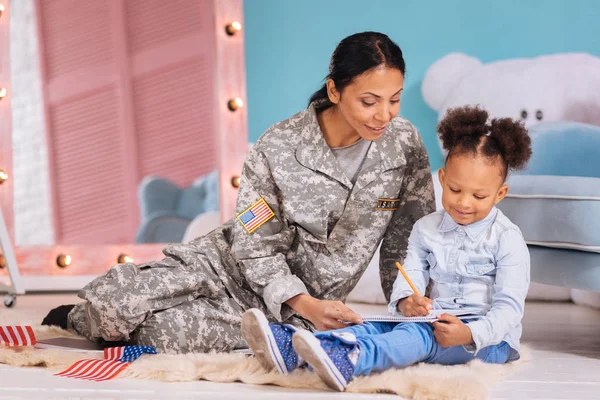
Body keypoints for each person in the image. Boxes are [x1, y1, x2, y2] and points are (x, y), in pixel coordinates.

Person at [42, 31, 435, 354]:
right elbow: (254, 244)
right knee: (112, 307)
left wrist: (405, 298)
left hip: (293, 310)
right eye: (369, 101)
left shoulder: (403, 145)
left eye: (394, 100)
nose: (385, 115)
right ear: (334, 91)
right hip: (226, 265)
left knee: (165, 334)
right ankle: (81, 317)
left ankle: (266, 334)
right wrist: (303, 301)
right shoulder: (277, 146)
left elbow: (410, 239)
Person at [241, 105, 532, 391]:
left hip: (489, 341)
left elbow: (509, 309)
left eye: (479, 196)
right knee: (381, 325)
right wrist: (408, 299)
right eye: (454, 190)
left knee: (418, 338)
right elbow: (413, 271)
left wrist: (469, 333)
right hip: (435, 319)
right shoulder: (426, 228)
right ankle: (297, 348)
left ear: (500, 194)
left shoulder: (507, 239)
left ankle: (352, 359)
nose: (464, 203)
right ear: (442, 179)